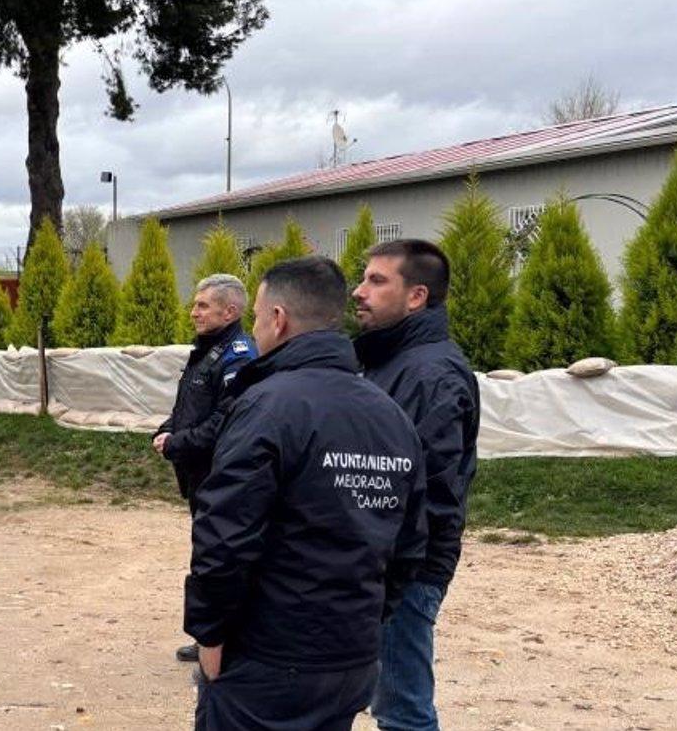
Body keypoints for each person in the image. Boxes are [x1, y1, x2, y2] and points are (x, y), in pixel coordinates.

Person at [186, 256, 427, 731]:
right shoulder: (389, 414)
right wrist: (369, 622)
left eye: (255, 317)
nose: (254, 332)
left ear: (278, 319)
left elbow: (224, 536)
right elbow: (410, 541)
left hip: (269, 659)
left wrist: (209, 634)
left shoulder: (267, 405)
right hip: (351, 660)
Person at [352, 240, 480, 731]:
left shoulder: (431, 374)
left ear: (416, 296)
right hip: (382, 561)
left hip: (405, 567)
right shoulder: (389, 360)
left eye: (377, 281)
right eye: (363, 279)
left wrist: (396, 570)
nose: (359, 292)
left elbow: (430, 490)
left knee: (403, 708)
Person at [152, 273, 256, 663]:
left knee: (219, 561)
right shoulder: (209, 350)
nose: (193, 312)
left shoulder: (238, 355)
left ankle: (219, 642)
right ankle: (213, 638)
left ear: (230, 311)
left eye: (202, 305)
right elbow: (192, 408)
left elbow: (228, 421)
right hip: (201, 477)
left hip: (222, 478)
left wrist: (178, 443)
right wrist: (167, 430)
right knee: (209, 557)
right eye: (195, 304)